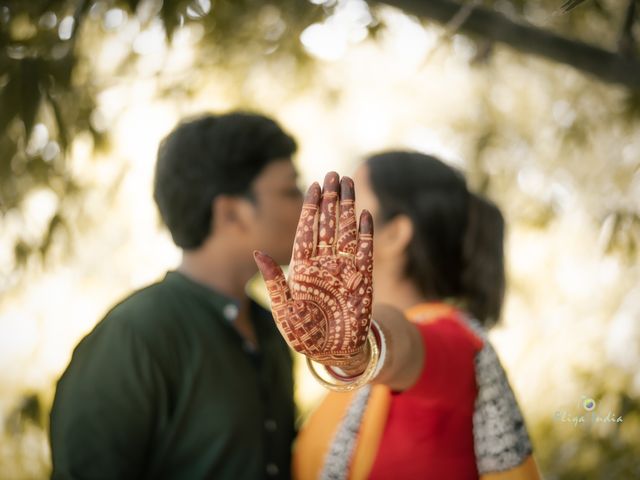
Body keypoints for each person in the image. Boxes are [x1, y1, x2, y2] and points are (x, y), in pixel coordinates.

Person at [254, 151, 541, 479]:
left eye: (352, 197)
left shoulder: (457, 341)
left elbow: (405, 345)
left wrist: (357, 355)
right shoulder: (345, 394)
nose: (330, 216)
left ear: (394, 234)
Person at [50, 112, 304, 479]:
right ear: (231, 212)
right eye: (291, 190)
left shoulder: (273, 328)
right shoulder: (134, 336)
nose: (309, 208)